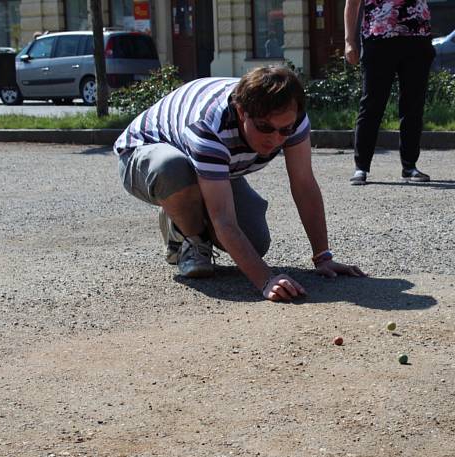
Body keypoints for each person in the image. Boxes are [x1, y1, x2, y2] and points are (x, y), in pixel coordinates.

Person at [114, 66, 365, 301]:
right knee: (172, 169)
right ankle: (188, 235)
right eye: (265, 127)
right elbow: (223, 218)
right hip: (144, 155)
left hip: (211, 164)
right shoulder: (209, 127)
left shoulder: (291, 117)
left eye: (284, 130)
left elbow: (304, 183)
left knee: (255, 243)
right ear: (242, 111)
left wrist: (322, 256)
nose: (275, 139)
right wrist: (265, 280)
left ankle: (186, 205)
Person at [344, 0, 435, 185]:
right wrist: (349, 41)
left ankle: (410, 166)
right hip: (378, 37)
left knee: (413, 106)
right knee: (371, 105)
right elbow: (352, 3)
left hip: (417, 35)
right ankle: (361, 167)